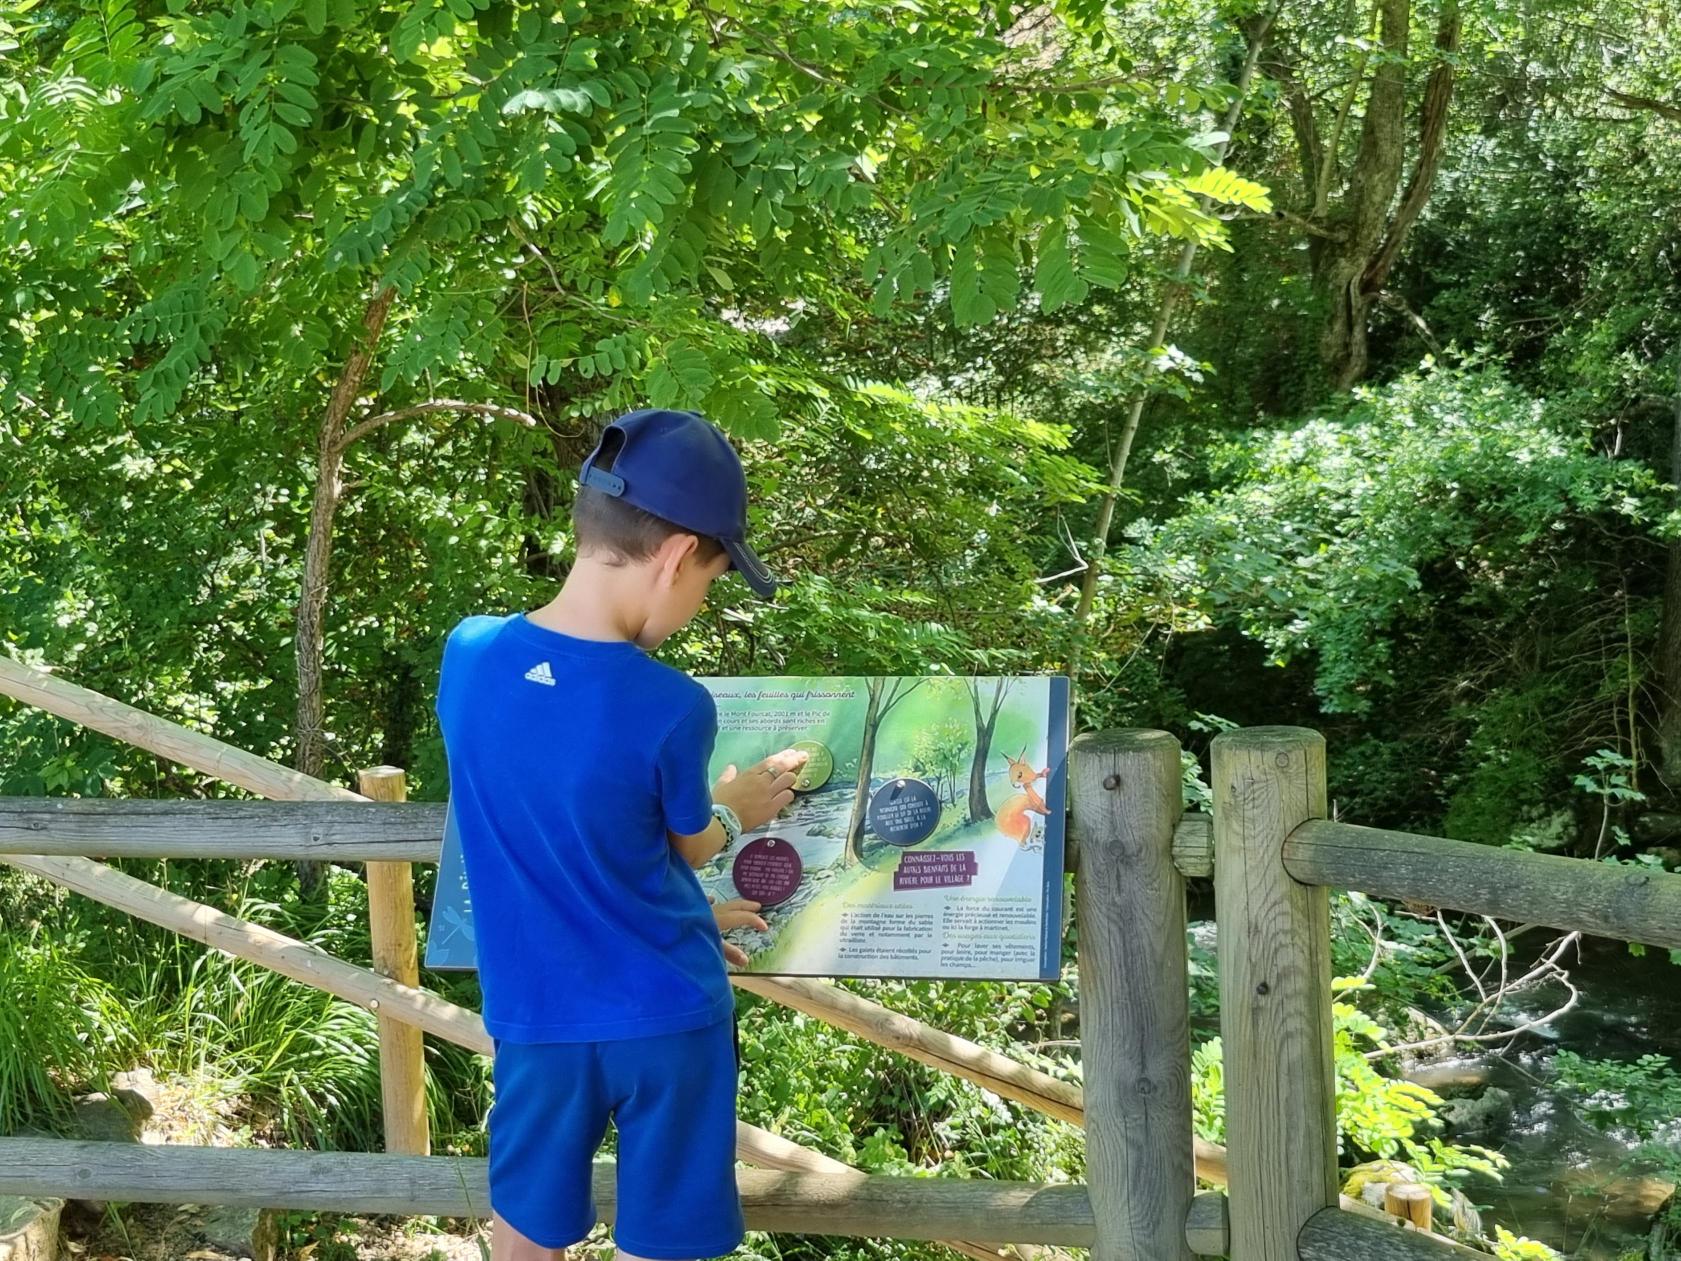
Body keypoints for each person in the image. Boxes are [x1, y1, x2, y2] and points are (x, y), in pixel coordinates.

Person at [435, 408, 807, 1261]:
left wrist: (681, 906)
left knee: (524, 1231)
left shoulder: (470, 654)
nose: (695, 604)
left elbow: (564, 824)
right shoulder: (672, 703)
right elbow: (685, 845)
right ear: (677, 554)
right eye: (709, 579)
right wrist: (735, 806)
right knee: (665, 1240)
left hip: (538, 1020)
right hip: (668, 1016)